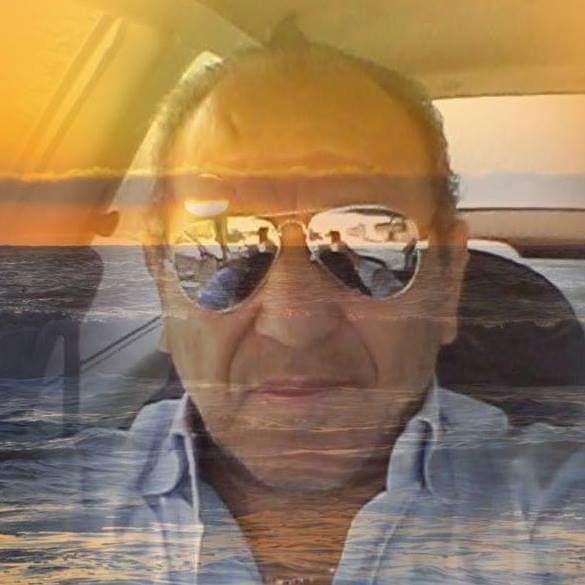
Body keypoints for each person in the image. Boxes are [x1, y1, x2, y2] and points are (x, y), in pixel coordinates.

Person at [6, 36, 583, 585]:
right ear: (161, 283)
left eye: (362, 238)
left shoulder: (557, 512)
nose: (294, 325)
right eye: (227, 244)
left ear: (448, 280)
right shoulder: (35, 507)